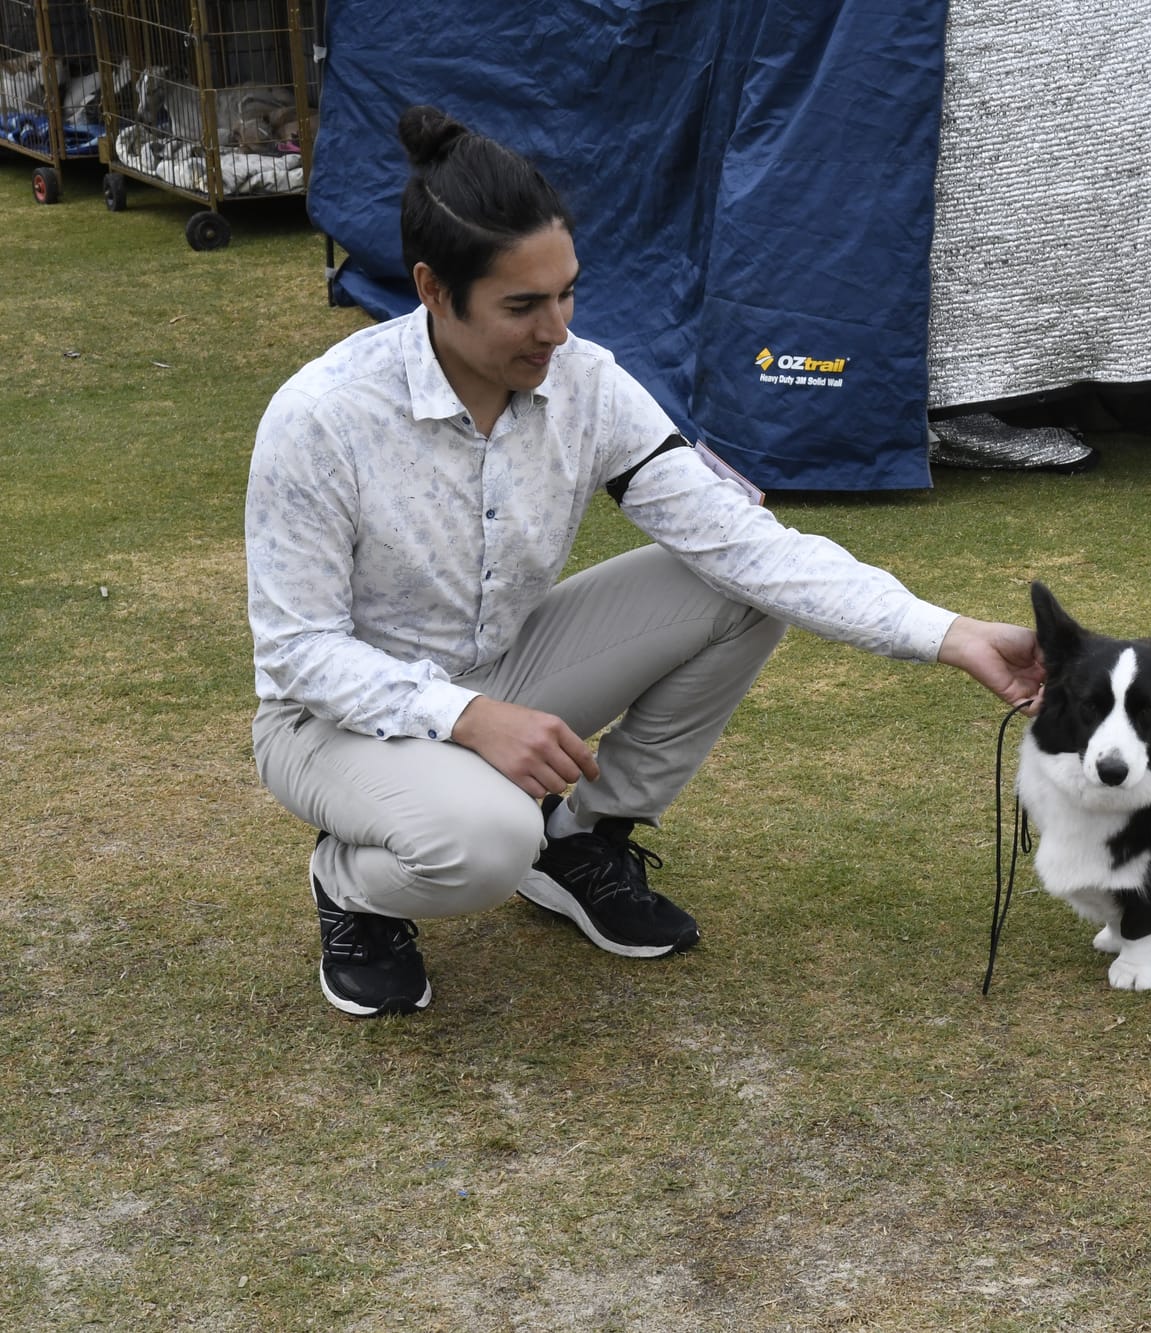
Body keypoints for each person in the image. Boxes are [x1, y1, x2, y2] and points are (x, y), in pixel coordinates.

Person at [246, 106, 1043, 1019]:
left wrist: (950, 634)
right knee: (483, 842)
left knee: (737, 586)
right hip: (328, 721)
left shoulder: (585, 381)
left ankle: (581, 836)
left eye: (567, 293)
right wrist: (466, 716)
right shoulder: (321, 418)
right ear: (432, 289)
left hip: (505, 671)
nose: (556, 329)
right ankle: (351, 887)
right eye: (521, 306)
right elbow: (298, 651)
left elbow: (748, 547)